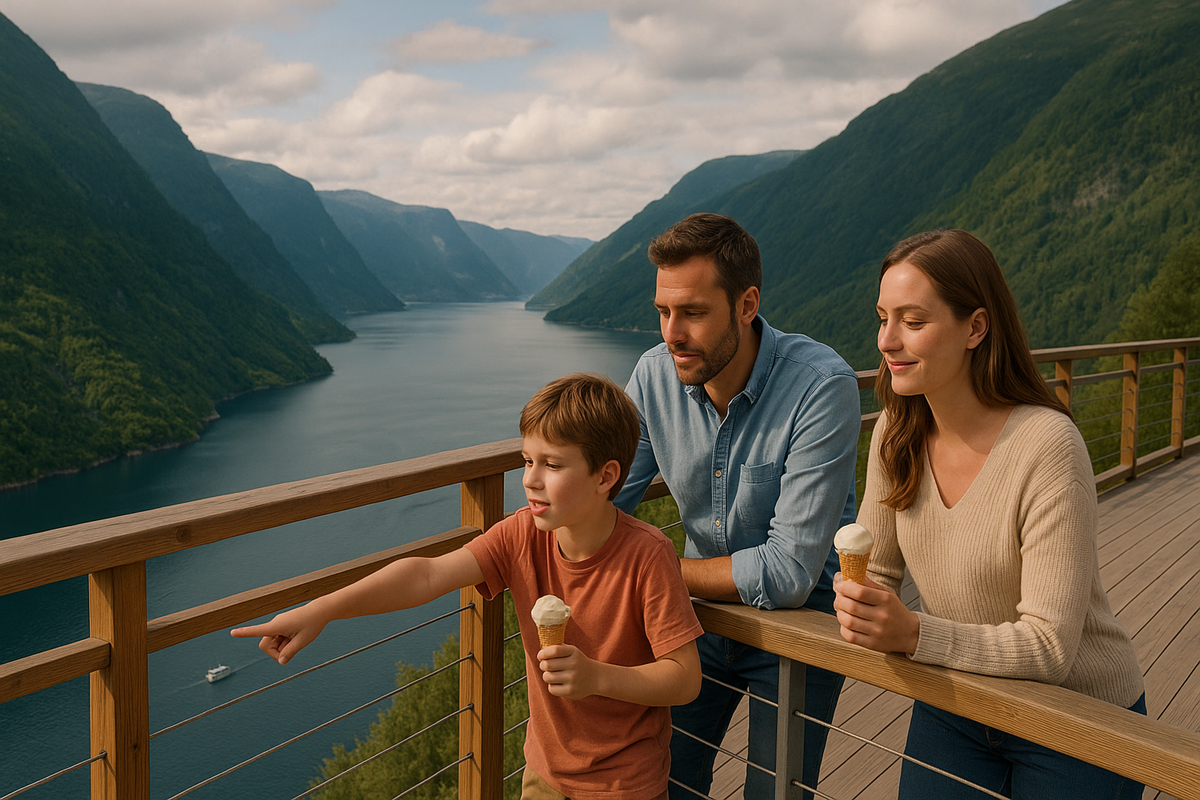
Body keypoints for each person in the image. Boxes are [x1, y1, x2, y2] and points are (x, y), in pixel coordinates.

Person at [233, 373, 705, 800]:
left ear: (606, 476)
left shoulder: (648, 555)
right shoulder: (521, 535)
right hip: (544, 774)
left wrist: (598, 677)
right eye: (526, 461)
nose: (530, 481)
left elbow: (684, 678)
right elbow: (425, 575)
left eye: (552, 466)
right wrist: (322, 610)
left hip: (623, 785)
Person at [834, 228, 1146, 798]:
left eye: (913, 321)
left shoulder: (1047, 445)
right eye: (882, 318)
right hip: (956, 700)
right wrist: (860, 603)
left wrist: (912, 631)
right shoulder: (893, 434)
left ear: (975, 327)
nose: (886, 340)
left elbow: (1051, 648)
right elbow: (878, 573)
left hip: (1077, 715)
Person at [613, 213, 861, 799]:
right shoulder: (654, 376)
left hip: (799, 627)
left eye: (692, 313)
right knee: (665, 781)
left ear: (747, 304)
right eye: (663, 312)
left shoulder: (820, 386)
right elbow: (603, 494)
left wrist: (652, 573)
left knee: (776, 793)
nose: (671, 333)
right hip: (697, 615)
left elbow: (787, 574)